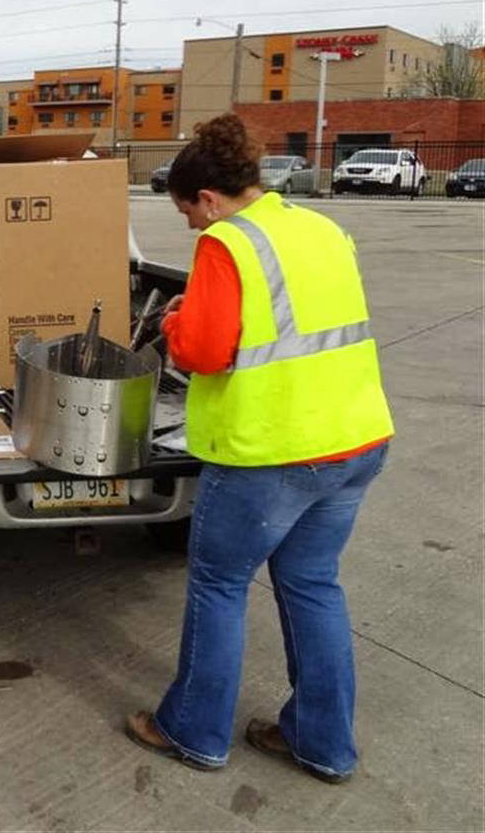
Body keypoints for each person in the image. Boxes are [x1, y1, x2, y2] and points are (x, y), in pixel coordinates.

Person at [124, 115, 393, 784]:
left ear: (208, 200)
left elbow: (205, 351)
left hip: (273, 452)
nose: (191, 226)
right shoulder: (321, 227)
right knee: (312, 587)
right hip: (356, 439)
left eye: (188, 213)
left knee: (219, 586)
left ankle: (192, 729)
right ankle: (323, 744)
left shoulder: (228, 243)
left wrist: (179, 318)